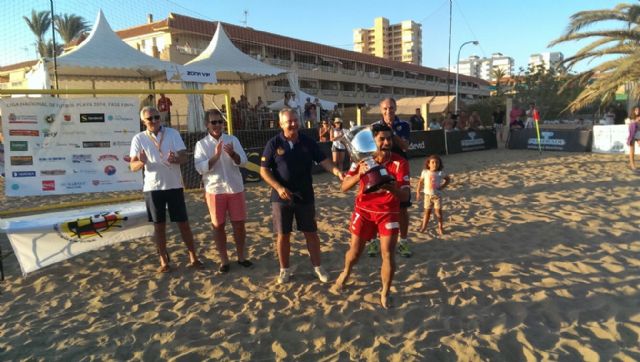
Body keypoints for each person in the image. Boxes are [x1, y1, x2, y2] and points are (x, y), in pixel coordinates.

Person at [260, 107, 344, 284]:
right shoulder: (273, 144)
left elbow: (324, 161)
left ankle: (317, 267)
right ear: (281, 124)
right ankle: (284, 270)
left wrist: (337, 172)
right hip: (281, 197)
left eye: (295, 120)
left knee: (311, 233)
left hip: (305, 194)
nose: (293, 124)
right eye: (289, 121)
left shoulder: (308, 142)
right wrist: (278, 187)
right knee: (283, 235)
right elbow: (264, 171)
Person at [333, 123, 410, 309]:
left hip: (388, 213)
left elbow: (406, 196)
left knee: (388, 254)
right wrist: (359, 174)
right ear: (373, 140)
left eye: (389, 138)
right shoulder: (362, 159)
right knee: (354, 253)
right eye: (381, 139)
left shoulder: (400, 162)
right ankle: (346, 273)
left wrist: (390, 187)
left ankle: (385, 292)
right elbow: (343, 188)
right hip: (364, 211)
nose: (386, 142)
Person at [129, 106, 203, 273]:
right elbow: (132, 166)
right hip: (152, 188)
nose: (154, 121)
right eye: (150, 119)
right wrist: (142, 162)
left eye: (156, 117)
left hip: (174, 185)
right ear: (143, 121)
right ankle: (163, 260)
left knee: (183, 223)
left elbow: (184, 157)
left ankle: (194, 257)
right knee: (159, 226)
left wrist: (175, 158)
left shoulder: (172, 133)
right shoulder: (138, 138)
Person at [194, 109, 252, 273]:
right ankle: (224, 260)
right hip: (214, 190)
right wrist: (216, 156)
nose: (218, 125)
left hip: (235, 188)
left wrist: (233, 154)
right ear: (207, 125)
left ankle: (241, 257)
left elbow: (244, 162)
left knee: (239, 224)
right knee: (218, 226)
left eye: (220, 121)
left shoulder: (232, 139)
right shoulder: (201, 145)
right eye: (214, 122)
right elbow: (200, 168)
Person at [369, 97, 412, 258]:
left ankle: (404, 241)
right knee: (375, 206)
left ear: (396, 108)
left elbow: (405, 146)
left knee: (402, 207)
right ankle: (373, 241)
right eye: (385, 109)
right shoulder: (374, 127)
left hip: (399, 168)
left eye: (391, 108)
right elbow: (370, 149)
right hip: (379, 169)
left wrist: (390, 133)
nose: (389, 111)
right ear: (381, 110)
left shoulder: (404, 125)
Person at [416, 154, 451, 236]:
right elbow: (420, 182)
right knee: (426, 213)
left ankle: (440, 228)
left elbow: (448, 179)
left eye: (437, 163)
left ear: (439, 164)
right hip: (427, 196)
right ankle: (424, 227)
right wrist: (418, 191)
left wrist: (442, 186)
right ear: (428, 164)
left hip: (437, 196)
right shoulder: (425, 172)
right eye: (433, 162)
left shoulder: (440, 173)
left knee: (438, 213)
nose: (435, 164)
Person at [627, 106, 640, 170]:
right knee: (632, 150)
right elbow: (628, 123)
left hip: (638, 133)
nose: (637, 111)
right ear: (633, 111)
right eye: (636, 110)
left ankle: (631, 164)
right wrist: (635, 121)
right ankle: (632, 164)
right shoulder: (630, 118)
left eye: (638, 110)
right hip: (632, 134)